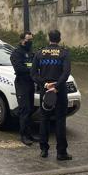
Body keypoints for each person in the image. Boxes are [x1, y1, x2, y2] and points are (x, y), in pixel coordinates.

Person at [31, 29, 72, 160]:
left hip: (45, 91)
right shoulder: (64, 53)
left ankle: (43, 150)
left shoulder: (39, 53)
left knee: (44, 119)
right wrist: (56, 86)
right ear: (59, 39)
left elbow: (33, 74)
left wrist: (45, 85)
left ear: (48, 38)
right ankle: (61, 153)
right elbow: (66, 73)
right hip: (59, 91)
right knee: (60, 120)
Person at [10, 31, 37, 146]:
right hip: (22, 84)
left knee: (30, 109)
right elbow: (19, 68)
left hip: (31, 84)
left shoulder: (31, 53)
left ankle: (29, 134)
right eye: (28, 40)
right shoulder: (16, 53)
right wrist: (32, 71)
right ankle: (23, 135)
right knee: (24, 110)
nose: (30, 42)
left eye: (31, 40)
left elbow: (36, 65)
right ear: (22, 40)